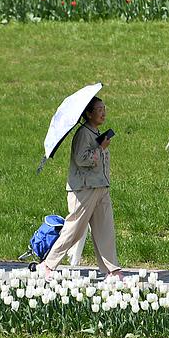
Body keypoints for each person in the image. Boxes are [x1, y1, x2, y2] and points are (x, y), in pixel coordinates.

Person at [39, 97, 123, 280]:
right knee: (74, 229)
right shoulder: (83, 134)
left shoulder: (95, 132)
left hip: (100, 186)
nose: (103, 113)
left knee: (105, 229)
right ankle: (47, 264)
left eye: (104, 108)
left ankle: (113, 271)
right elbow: (81, 159)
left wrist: (101, 147)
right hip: (83, 189)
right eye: (99, 109)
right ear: (88, 113)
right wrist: (101, 148)